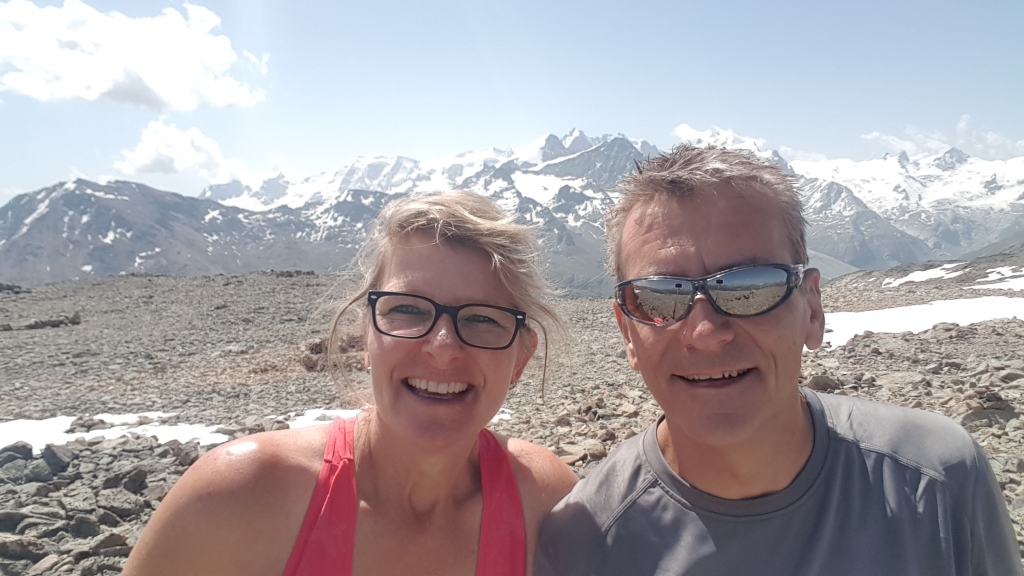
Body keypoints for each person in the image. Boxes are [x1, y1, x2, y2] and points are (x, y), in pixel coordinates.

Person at [536, 145, 1022, 575]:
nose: (706, 333)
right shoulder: (579, 546)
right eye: (659, 298)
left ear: (812, 310)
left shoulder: (939, 478)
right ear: (628, 333)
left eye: (750, 287)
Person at [124, 190, 578, 576]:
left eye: (482, 318)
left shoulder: (546, 502)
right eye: (407, 309)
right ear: (366, 337)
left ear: (521, 358)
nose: (443, 347)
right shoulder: (239, 496)